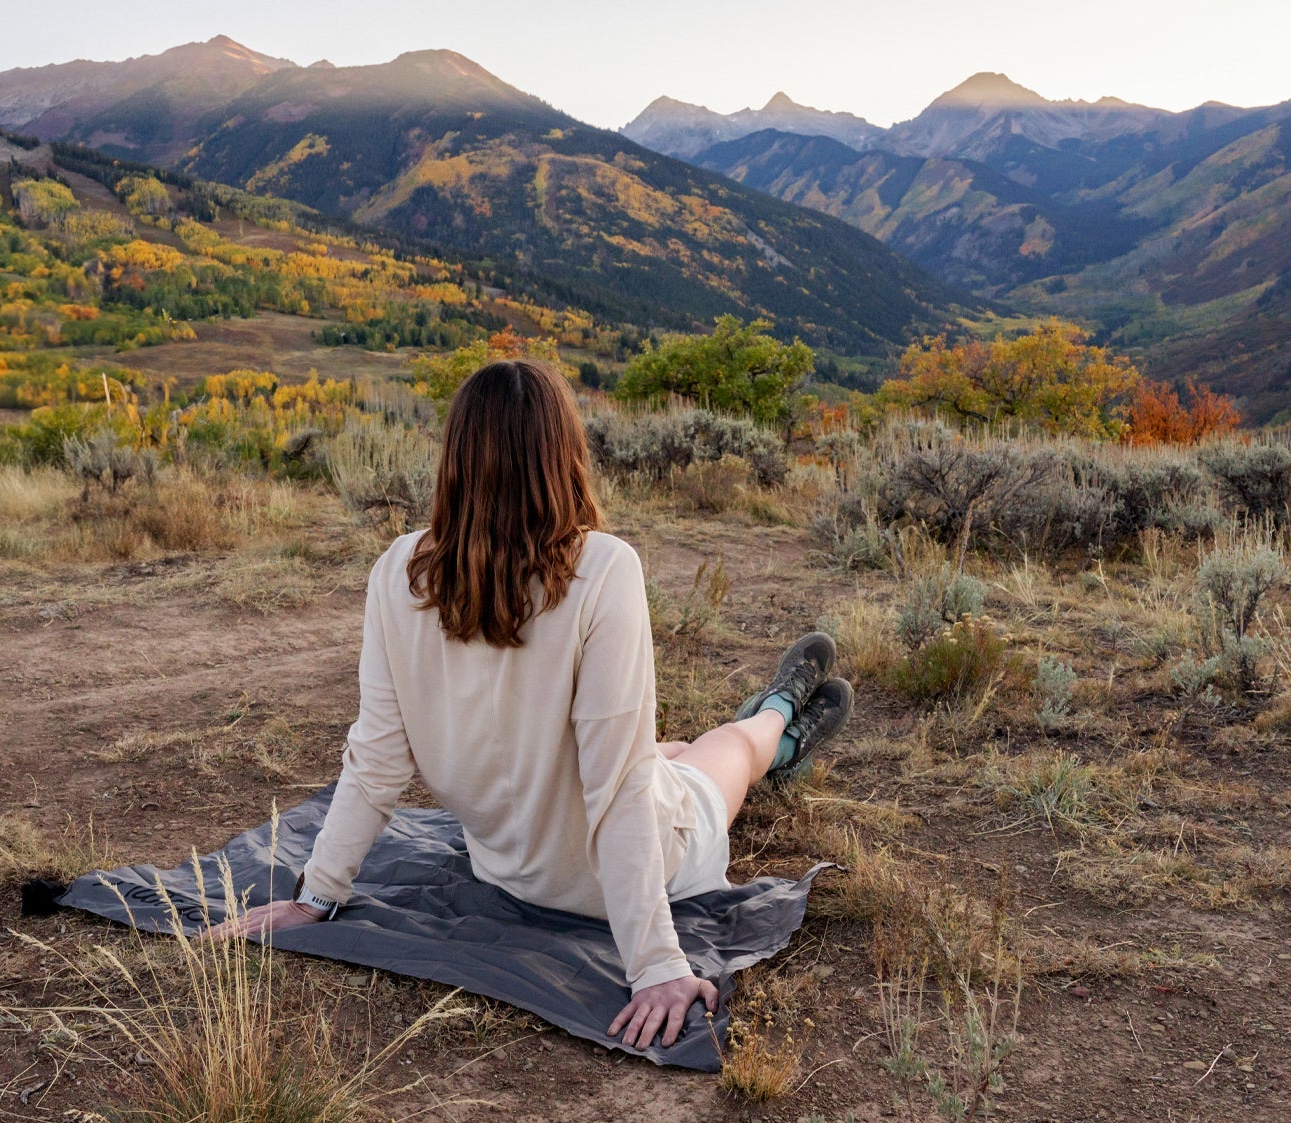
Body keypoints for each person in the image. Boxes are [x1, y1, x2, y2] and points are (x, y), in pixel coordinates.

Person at [204, 359, 853, 1051]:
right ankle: (779, 721)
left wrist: (319, 895)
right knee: (720, 756)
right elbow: (621, 787)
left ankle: (769, 721)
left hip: (508, 866)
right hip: (635, 870)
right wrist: (656, 963)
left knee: (661, 756)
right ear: (564, 456)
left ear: (454, 460)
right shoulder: (603, 569)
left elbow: (377, 759)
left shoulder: (397, 571)